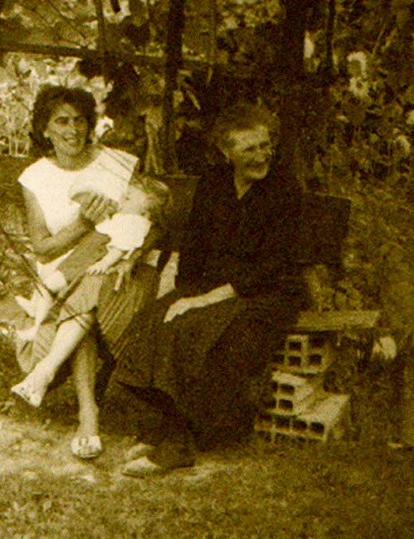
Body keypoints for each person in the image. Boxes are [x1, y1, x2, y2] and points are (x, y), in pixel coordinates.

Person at [103, 102, 305, 475]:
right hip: (212, 286)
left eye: (265, 146)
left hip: (266, 292)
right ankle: (158, 427)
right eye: (250, 149)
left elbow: (273, 264)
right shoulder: (214, 183)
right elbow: (195, 245)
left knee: (195, 329)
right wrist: (183, 293)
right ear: (227, 152)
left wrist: (206, 299)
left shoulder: (283, 189)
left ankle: (179, 444)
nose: (262, 156)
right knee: (157, 318)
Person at [11, 84, 167, 460]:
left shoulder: (116, 163)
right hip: (66, 270)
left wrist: (131, 255)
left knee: (90, 292)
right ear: (44, 129)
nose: (72, 129)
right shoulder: (35, 177)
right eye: (60, 121)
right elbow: (42, 247)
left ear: (90, 123)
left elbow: (154, 221)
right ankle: (87, 410)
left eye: (79, 120)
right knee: (86, 295)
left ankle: (83, 412)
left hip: (123, 269)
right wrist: (84, 223)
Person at [14, 180, 167, 343]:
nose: (121, 200)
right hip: (80, 258)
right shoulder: (125, 218)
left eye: (127, 199)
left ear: (145, 210)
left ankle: (36, 328)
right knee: (47, 285)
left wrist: (105, 263)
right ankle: (35, 307)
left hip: (86, 262)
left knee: (47, 287)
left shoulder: (134, 224)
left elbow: (120, 248)